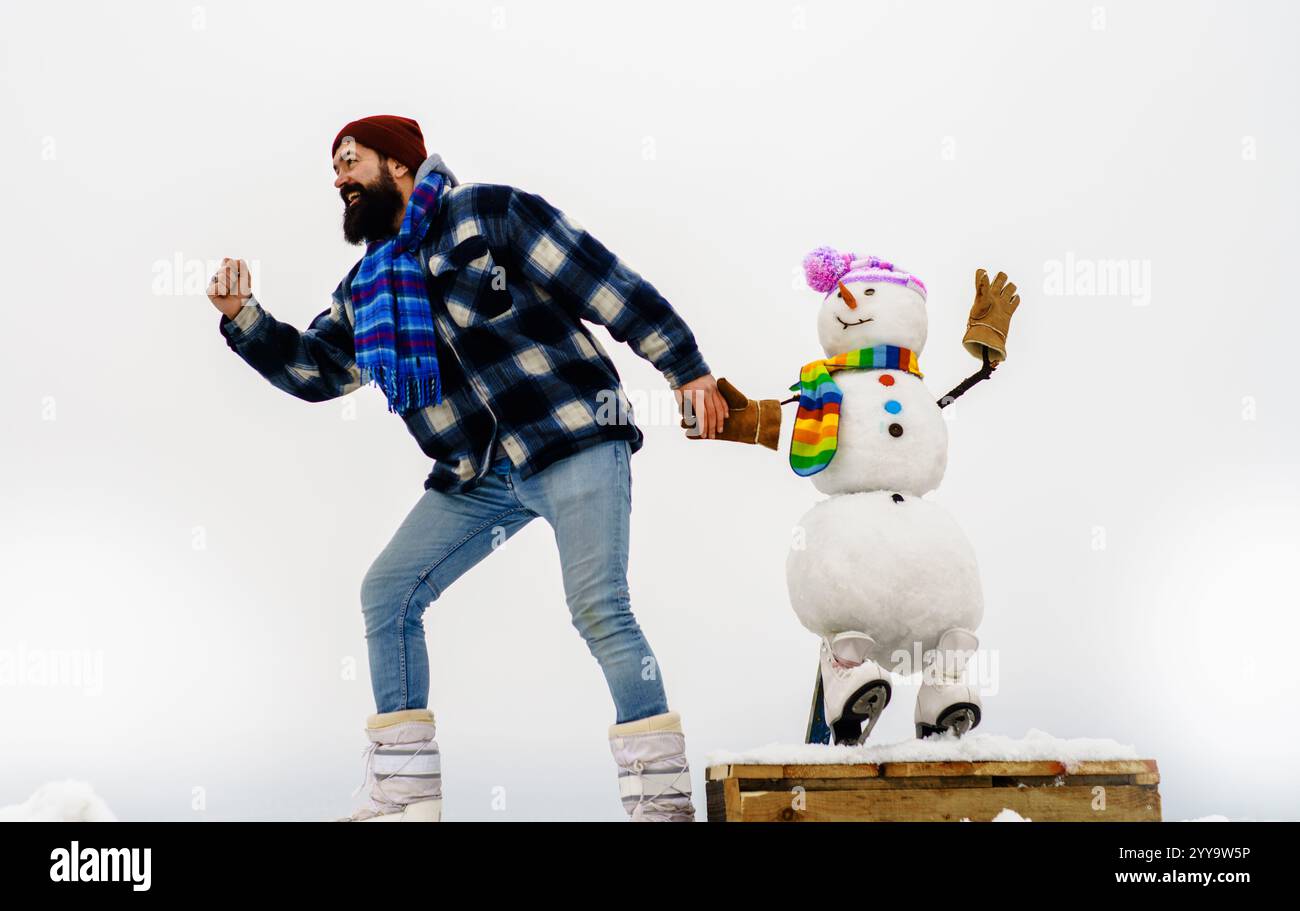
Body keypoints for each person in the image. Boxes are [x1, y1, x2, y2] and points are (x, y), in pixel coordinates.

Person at [208, 114, 728, 822]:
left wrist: (685, 368)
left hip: (571, 433)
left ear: (398, 164)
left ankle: (660, 804)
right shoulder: (367, 284)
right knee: (386, 593)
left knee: (598, 605)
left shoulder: (486, 214)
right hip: (478, 470)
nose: (339, 179)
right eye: (332, 171)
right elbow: (317, 369)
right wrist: (245, 318)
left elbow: (601, 281)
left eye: (349, 161)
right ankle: (404, 798)